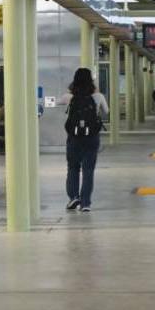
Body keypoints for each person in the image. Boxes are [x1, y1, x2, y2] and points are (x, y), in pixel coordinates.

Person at [61, 68, 108, 212]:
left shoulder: (69, 97)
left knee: (73, 168)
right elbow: (107, 112)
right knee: (88, 170)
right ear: (91, 80)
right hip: (92, 137)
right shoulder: (98, 96)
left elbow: (54, 102)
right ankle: (86, 203)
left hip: (74, 137)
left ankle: (73, 197)